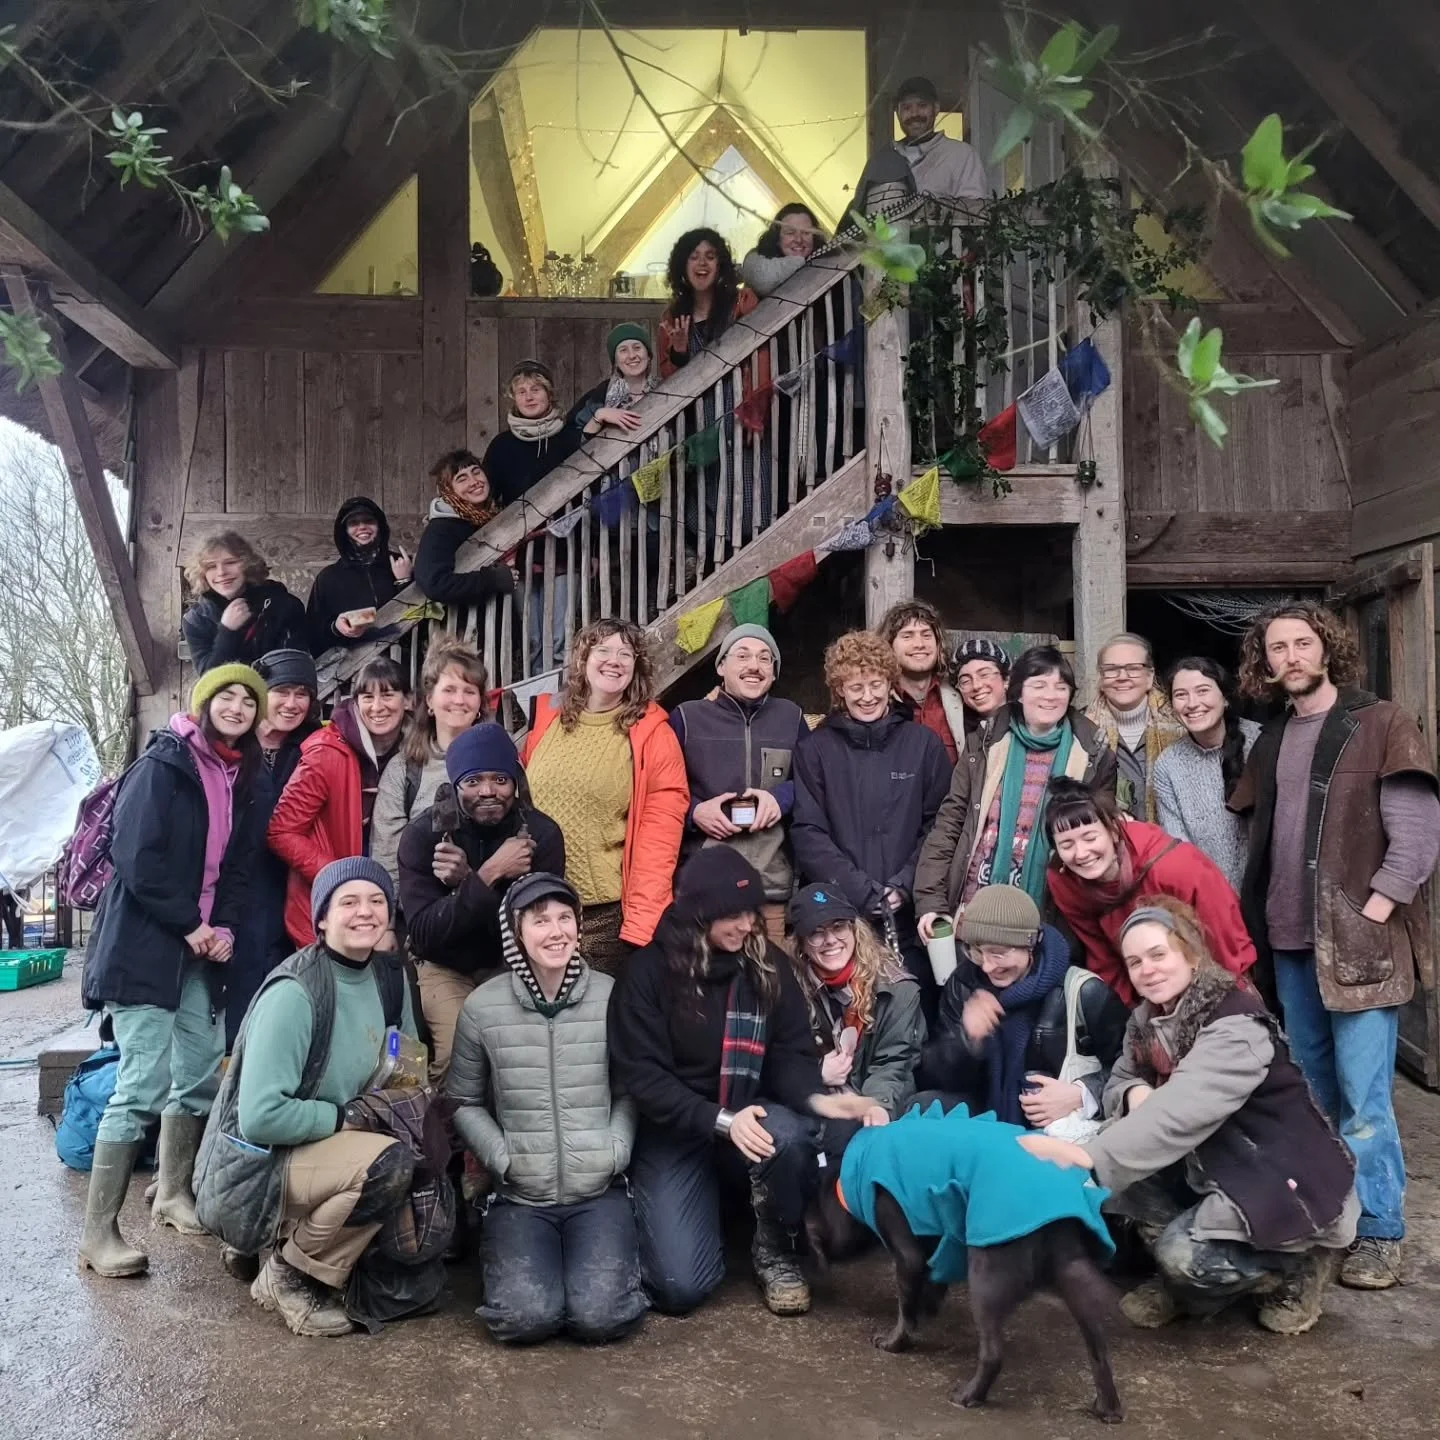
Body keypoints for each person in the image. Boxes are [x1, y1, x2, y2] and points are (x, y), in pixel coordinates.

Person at [1022, 899, 1359, 1337]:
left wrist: (1085, 1156)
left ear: (1192, 954)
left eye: (1159, 955)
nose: (1148, 970)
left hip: (1276, 1175)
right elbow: (1119, 1081)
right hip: (1211, 1162)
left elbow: (1181, 1111)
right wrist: (1135, 1091)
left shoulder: (1235, 1025)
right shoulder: (1147, 1020)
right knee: (1125, 1184)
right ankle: (1184, 1280)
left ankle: (1293, 1268)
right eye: (1135, 962)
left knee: (1181, 1256)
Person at [1231, 600, 1440, 1290]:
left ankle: (1381, 1231)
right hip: (1290, 944)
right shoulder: (1272, 739)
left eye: (1301, 643)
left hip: (1357, 946)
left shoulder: (1380, 723)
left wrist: (1372, 909)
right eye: (1276, 649)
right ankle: (1328, 1218)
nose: (1289, 656)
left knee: (1368, 1099)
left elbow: (1415, 837)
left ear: (1327, 649)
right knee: (1313, 1093)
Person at [78, 664, 266, 1276]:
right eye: (227, 696)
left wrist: (226, 929)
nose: (237, 707)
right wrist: (192, 926)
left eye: (248, 701)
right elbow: (136, 856)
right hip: (146, 946)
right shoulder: (164, 765)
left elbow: (236, 867)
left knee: (199, 1071)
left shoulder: (240, 774)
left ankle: (172, 1192)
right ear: (206, 702)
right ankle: (98, 1235)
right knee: (141, 1085)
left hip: (201, 948)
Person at [195, 858, 421, 1338]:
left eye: (377, 901)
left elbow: (408, 1063)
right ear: (321, 917)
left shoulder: (388, 975)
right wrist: (348, 1119)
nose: (366, 912)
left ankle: (279, 1237)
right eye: (349, 902)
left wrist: (408, 1106)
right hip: (264, 1162)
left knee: (413, 1158)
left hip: (339, 1139)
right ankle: (289, 1273)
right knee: (390, 1166)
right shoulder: (296, 991)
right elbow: (261, 1118)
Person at [608, 848, 823, 1316]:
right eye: (732, 914)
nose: (747, 924)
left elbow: (791, 1055)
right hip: (679, 1130)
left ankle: (776, 1248)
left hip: (754, 1115)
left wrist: (819, 1101)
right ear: (699, 913)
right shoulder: (648, 974)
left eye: (752, 911)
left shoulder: (768, 965)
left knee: (788, 1136)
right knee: (678, 1287)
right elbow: (643, 1077)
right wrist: (719, 1120)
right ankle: (701, 1216)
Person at [447, 871, 647, 1344]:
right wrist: (501, 1157)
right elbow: (461, 1100)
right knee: (523, 1320)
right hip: (521, 1195)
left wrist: (615, 1148)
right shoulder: (482, 1007)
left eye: (565, 918)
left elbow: (630, 1088)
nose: (556, 932)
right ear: (517, 932)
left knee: (602, 1319)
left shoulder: (611, 996)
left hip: (597, 1189)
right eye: (540, 921)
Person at [792, 630, 951, 1023]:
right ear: (838, 691)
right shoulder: (815, 750)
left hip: (910, 915)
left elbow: (940, 823)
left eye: (876, 684)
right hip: (846, 917)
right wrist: (861, 893)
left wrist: (903, 885)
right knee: (855, 1019)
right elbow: (808, 832)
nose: (867, 696)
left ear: (890, 684)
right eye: (855, 686)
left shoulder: (923, 744)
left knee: (917, 1016)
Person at [398, 723, 565, 1086]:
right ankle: (445, 1140)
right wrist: (489, 874)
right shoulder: (424, 837)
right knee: (455, 1055)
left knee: (514, 1055)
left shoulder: (542, 835)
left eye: (500, 780)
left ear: (516, 781)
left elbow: (541, 933)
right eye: (473, 781)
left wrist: (467, 883)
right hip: (444, 964)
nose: (487, 791)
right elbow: (425, 935)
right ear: (456, 784)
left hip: (510, 962)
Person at [522, 619, 688, 974]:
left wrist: (643, 923)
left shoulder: (652, 734)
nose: (614, 660)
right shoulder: (549, 719)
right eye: (603, 650)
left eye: (625, 654)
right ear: (583, 658)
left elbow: (659, 838)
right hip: (536, 904)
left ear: (636, 667)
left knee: (595, 1023)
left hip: (601, 918)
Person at [913, 645, 1115, 937]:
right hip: (974, 906)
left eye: (1061, 687)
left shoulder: (1093, 755)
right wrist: (931, 901)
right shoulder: (984, 744)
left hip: (1050, 911)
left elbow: (1100, 840)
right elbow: (950, 823)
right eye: (1039, 685)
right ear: (1018, 692)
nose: (1050, 695)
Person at [916, 885, 1128, 1131]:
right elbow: (931, 1076)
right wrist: (966, 1039)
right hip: (986, 1110)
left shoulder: (1083, 991)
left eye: (998, 954)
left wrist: (1081, 1094)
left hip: (1056, 1123)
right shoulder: (964, 983)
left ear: (1030, 946)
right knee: (923, 1107)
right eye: (976, 952)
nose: (986, 966)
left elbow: (1132, 1069)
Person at [1043, 778, 1256, 1007]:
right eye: (1067, 845)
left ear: (1114, 831)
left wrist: (1231, 999)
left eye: (1090, 838)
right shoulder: (1065, 883)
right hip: (1147, 987)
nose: (1081, 853)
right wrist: (1130, 1013)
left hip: (1210, 974)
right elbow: (1101, 955)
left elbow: (1225, 934)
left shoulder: (1174, 865)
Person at [669, 624, 809, 946]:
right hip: (704, 886)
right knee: (706, 985)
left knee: (770, 983)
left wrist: (782, 799)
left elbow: (815, 781)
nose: (754, 666)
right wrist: (695, 812)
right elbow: (659, 791)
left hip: (770, 884)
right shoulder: (687, 718)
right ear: (721, 667)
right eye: (742, 655)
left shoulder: (792, 717)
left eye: (765, 658)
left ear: (773, 673)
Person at [268, 656, 410, 948]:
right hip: (326, 912)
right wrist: (339, 877)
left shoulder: (414, 753)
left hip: (393, 908)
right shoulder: (327, 751)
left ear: (408, 700)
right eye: (367, 697)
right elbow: (281, 830)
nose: (377, 706)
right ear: (355, 703)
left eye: (388, 695)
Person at [224, 648, 321, 1051]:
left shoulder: (312, 748)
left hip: (292, 883)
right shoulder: (233, 746)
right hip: (238, 885)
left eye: (302, 694)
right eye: (282, 691)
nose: (293, 703)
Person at [659, 228, 771, 559]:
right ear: (682, 265)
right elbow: (670, 383)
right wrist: (679, 353)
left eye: (710, 256)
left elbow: (762, 356)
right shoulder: (672, 317)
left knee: (749, 505)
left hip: (740, 418)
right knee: (708, 512)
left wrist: (756, 410)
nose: (702, 263)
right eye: (694, 256)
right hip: (701, 428)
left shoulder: (742, 302)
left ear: (721, 264)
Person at [788, 883, 923, 1131]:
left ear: (855, 929)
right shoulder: (787, 988)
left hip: (878, 1098)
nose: (830, 940)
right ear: (802, 944)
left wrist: (874, 1104)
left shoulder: (897, 989)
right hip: (814, 1102)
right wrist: (815, 1073)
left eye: (838, 927)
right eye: (816, 933)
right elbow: (779, 1059)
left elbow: (895, 1061)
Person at [482, 361, 586, 672]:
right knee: (531, 638)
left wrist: (589, 549)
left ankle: (556, 709)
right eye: (521, 391)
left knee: (559, 638)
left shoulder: (569, 438)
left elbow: (588, 491)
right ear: (513, 397)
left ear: (549, 394)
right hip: (520, 554)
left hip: (565, 550)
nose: (529, 397)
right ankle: (533, 707)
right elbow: (486, 497)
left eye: (536, 389)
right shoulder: (501, 446)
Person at [370, 638, 486, 894]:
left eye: (469, 691)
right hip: (419, 911)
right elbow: (387, 854)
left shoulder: (501, 764)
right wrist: (392, 923)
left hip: (488, 911)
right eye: (449, 690)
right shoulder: (404, 769)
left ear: (479, 703)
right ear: (430, 701)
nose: (459, 700)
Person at [1152, 657, 1260, 890]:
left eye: (1203, 691)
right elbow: (1179, 847)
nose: (1192, 703)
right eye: (1181, 695)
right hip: (1207, 897)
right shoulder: (1169, 765)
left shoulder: (1261, 743)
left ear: (1226, 697)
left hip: (1265, 896)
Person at [1083, 632, 1185, 821]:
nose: (1122, 676)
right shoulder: (1082, 732)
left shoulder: (1182, 727)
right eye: (1112, 669)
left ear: (1149, 675)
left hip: (1170, 844)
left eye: (1133, 668)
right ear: (1101, 676)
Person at [853, 75, 987, 217]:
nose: (914, 113)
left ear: (936, 108)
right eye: (906, 108)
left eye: (922, 106)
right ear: (898, 113)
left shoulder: (961, 155)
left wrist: (926, 213)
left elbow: (976, 213)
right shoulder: (882, 162)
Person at [182, 531, 307, 674]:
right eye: (211, 566)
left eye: (230, 562)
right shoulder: (196, 620)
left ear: (247, 564)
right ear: (202, 573)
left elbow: (294, 668)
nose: (221, 572)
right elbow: (208, 682)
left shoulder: (284, 606)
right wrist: (227, 632)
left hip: (278, 694)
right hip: (228, 696)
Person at [305, 496, 412, 653]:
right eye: (353, 523)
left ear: (380, 526)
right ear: (344, 532)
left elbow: (427, 615)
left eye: (369, 520)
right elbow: (312, 633)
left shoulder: (402, 564)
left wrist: (405, 581)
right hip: (352, 670)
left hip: (404, 660)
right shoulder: (328, 578)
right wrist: (336, 627)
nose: (362, 526)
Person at [413, 450, 516, 612]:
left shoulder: (493, 517)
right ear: (448, 490)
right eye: (462, 479)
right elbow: (435, 583)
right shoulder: (441, 529)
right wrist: (490, 580)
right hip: (464, 629)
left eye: (476, 472)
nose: (474, 481)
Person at [879, 599, 966, 764]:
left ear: (938, 644)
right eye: (907, 636)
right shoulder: (875, 701)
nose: (919, 644)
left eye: (926, 635)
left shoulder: (959, 696)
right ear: (889, 646)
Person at [570, 323, 656, 438]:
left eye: (637, 348)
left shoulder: (666, 388)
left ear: (649, 356)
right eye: (623, 350)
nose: (631, 355)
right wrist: (599, 415)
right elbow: (576, 442)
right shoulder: (599, 396)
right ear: (615, 362)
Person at [739, 203, 826, 297]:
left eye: (806, 232)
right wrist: (798, 261)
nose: (799, 239)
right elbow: (764, 280)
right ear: (776, 237)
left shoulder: (825, 257)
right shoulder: (755, 258)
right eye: (790, 233)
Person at [952, 637, 1010, 737]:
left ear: (1006, 680)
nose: (976, 686)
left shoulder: (1029, 724)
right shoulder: (963, 736)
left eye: (984, 674)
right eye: (965, 681)